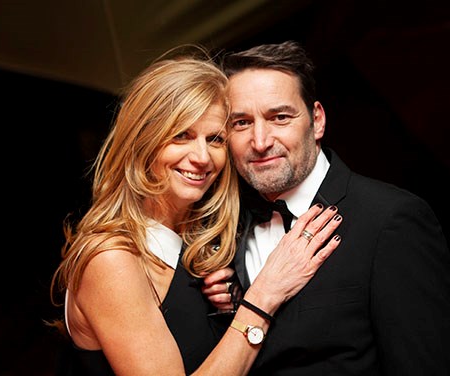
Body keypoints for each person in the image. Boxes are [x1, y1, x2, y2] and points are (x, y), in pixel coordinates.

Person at [49, 45, 343, 376]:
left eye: (215, 139)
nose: (202, 157)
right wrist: (263, 296)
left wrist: (233, 303)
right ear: (143, 141)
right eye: (181, 136)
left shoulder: (202, 244)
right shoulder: (112, 259)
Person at [215, 40, 450, 375]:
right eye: (241, 122)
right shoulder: (222, 232)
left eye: (280, 117)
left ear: (317, 121)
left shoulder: (390, 220)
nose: (260, 141)